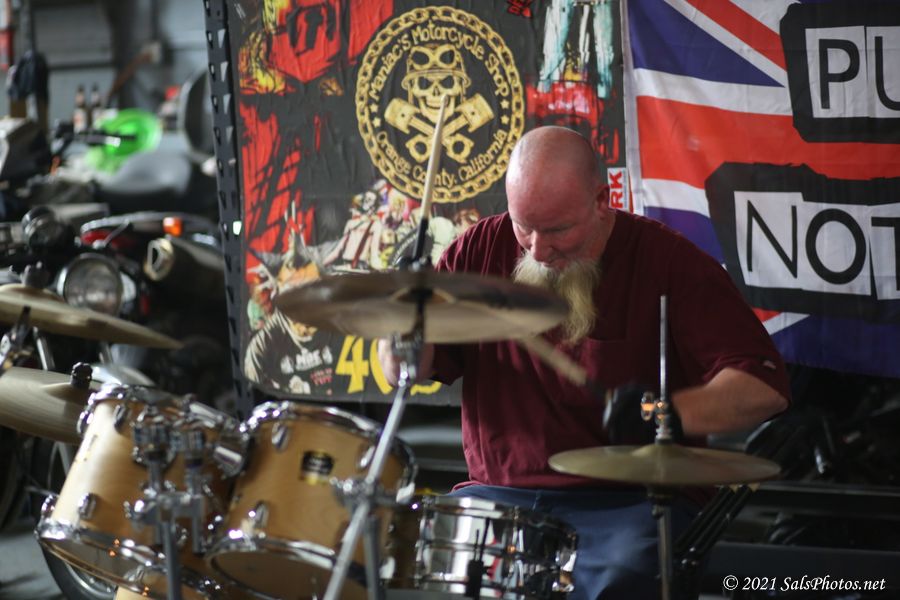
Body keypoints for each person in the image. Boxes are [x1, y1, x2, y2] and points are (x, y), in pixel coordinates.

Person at [377, 126, 790, 600]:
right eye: (523, 226)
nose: (537, 249)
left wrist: (665, 414)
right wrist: (405, 312)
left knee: (628, 572)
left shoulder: (668, 262)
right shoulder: (480, 248)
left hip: (627, 505)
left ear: (601, 200)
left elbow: (763, 386)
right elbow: (404, 370)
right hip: (499, 497)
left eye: (557, 230)